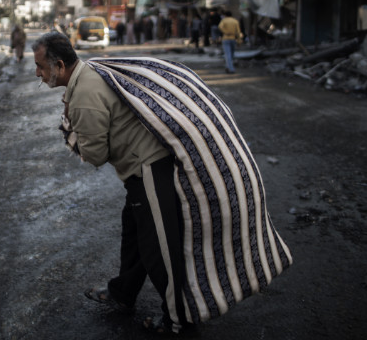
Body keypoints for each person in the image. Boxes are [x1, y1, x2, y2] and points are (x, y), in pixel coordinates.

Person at [31, 32, 292, 335]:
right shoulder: (91, 70)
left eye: (40, 66)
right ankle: (122, 292)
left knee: (159, 248)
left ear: (59, 65)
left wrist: (71, 128)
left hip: (150, 171)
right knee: (133, 232)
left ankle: (179, 319)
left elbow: (96, 155)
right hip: (143, 170)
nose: (38, 73)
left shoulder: (84, 97)